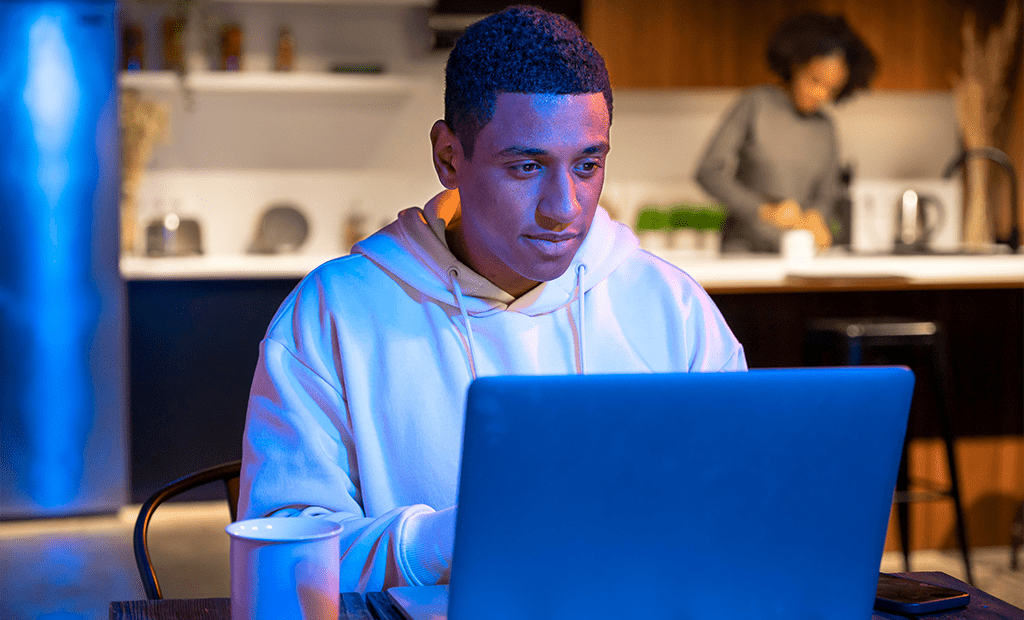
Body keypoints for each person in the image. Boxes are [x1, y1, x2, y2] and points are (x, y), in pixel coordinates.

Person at [238, 5, 747, 594]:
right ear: (449, 156)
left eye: (588, 165)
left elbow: (739, 509)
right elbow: (284, 555)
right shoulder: (333, 315)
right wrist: (445, 541)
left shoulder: (673, 308)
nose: (564, 207)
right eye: (527, 166)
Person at [695, 13, 877, 253]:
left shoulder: (825, 127)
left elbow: (826, 194)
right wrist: (763, 210)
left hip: (798, 253)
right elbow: (708, 172)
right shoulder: (755, 105)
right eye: (815, 81)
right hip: (744, 250)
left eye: (832, 89)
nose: (821, 95)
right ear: (796, 63)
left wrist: (815, 218)